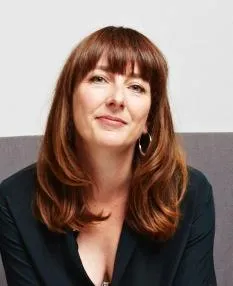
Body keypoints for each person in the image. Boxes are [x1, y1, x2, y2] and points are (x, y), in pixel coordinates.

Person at [0, 26, 216, 286]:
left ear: (149, 118)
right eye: (99, 79)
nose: (117, 99)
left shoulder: (188, 194)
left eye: (136, 86)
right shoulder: (16, 200)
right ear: (69, 101)